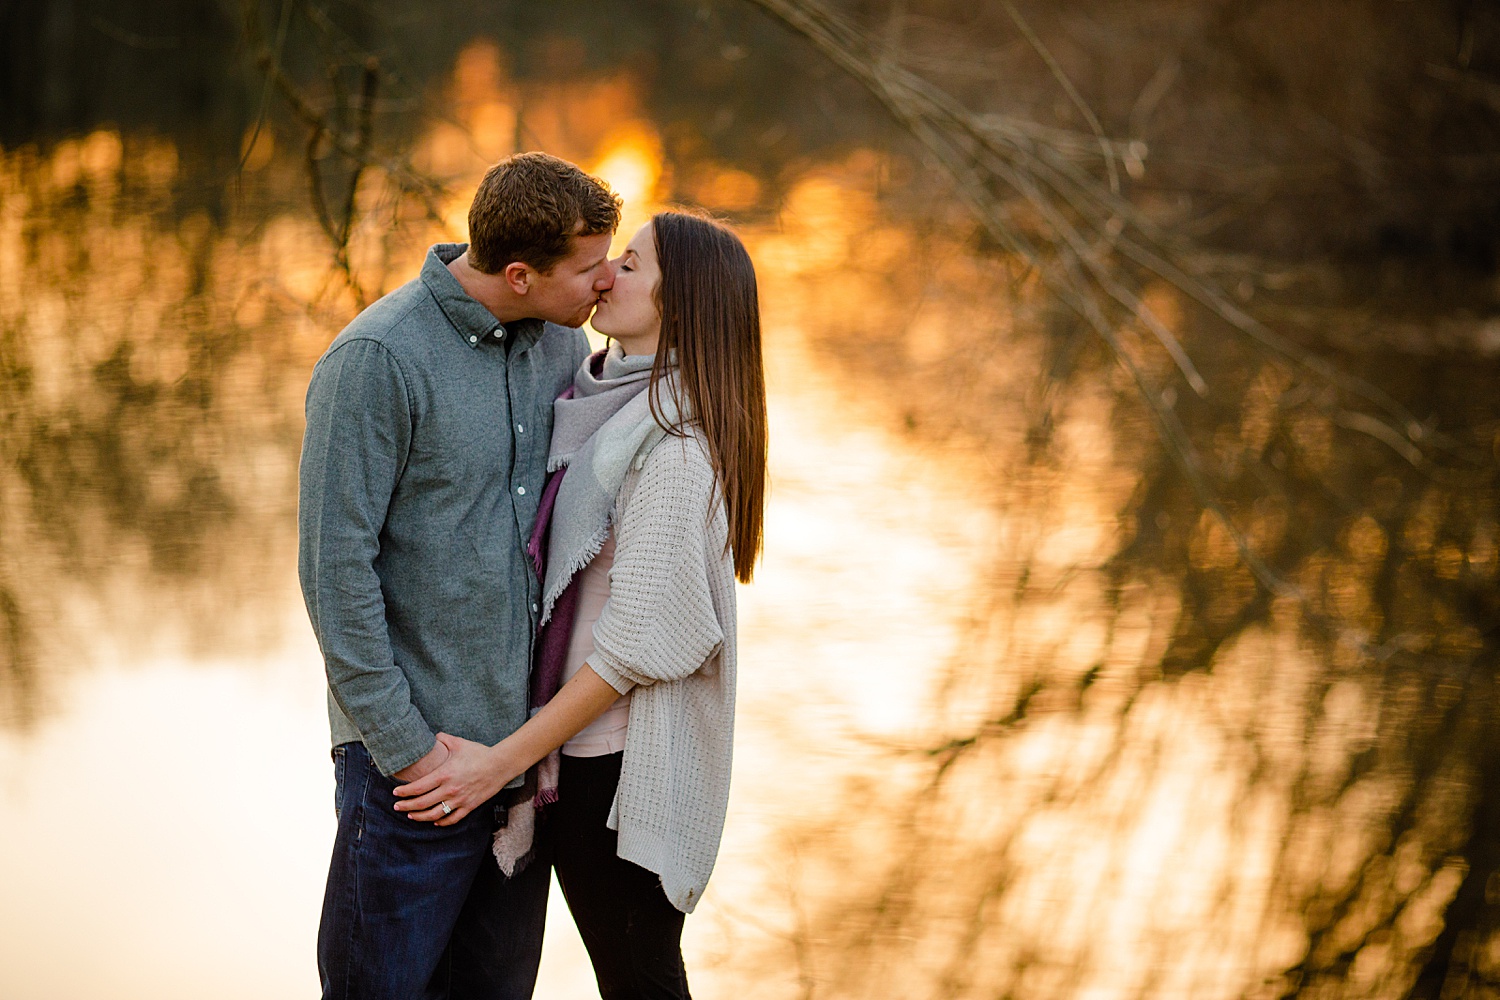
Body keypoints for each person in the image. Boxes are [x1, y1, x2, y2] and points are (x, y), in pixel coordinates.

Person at [392, 210, 768, 1000]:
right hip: (574, 761)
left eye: (629, 266)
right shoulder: (605, 406)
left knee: (642, 983)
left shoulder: (674, 449)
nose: (606, 276)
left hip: (617, 775)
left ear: (681, 303)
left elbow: (630, 648)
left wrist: (501, 762)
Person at [298, 151, 620, 1000]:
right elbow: (335, 573)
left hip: (520, 770)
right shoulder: (374, 361)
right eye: (589, 266)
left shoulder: (562, 342)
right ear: (520, 274)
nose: (606, 280)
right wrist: (406, 752)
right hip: (414, 775)